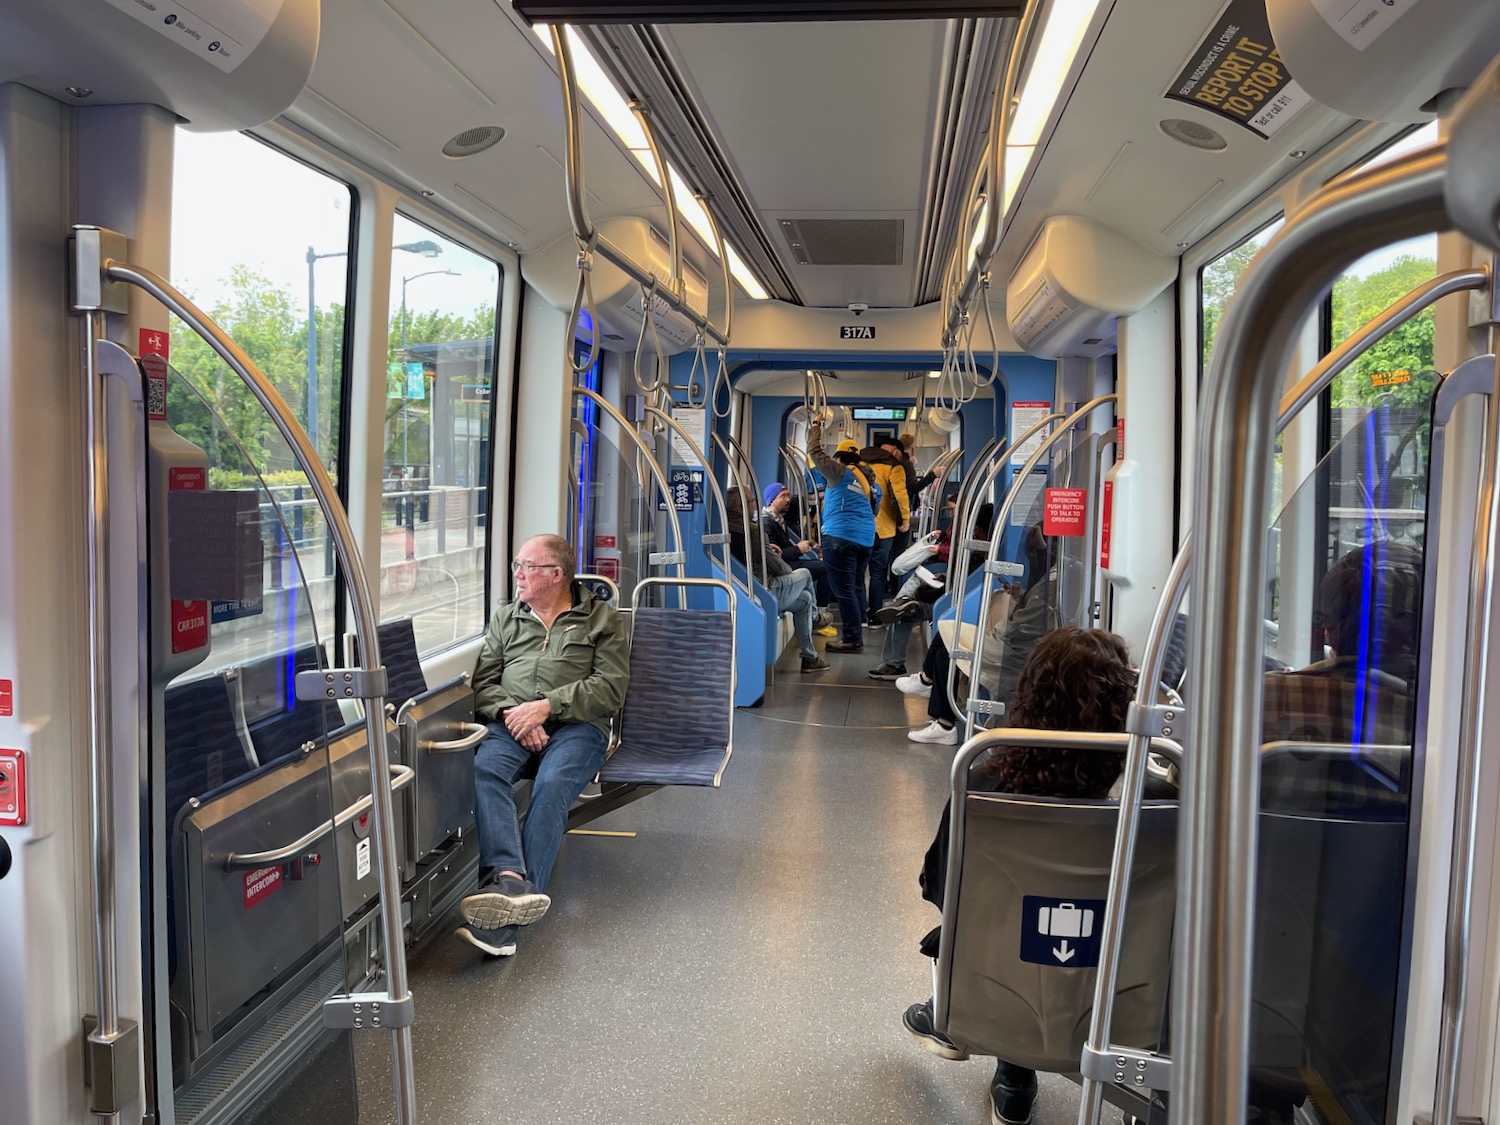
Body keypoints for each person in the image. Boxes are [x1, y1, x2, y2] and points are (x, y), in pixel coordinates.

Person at [901, 627, 1141, 1125]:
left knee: (1003, 921)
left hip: (1008, 961)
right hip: (1124, 977)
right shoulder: (1149, 797)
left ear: (1028, 698)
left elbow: (942, 884)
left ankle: (1009, 1072)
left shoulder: (984, 784)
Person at [457, 534, 629, 958]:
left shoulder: (600, 619)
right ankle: (511, 877)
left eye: (525, 566)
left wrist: (547, 706)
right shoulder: (506, 618)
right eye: (517, 565)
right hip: (513, 724)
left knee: (551, 785)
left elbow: (610, 689)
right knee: (485, 770)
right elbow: (484, 683)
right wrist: (512, 715)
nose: (516, 574)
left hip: (578, 727)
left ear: (555, 574)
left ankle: (505, 924)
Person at [902, 525, 1060, 745]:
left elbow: (1027, 625)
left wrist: (994, 631)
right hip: (1016, 640)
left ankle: (942, 718)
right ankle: (931, 692)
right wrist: (1019, 596)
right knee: (950, 629)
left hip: (1016, 649)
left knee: (948, 650)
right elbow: (1034, 613)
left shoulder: (1053, 583)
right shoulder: (1054, 578)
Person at [867, 501, 993, 681]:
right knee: (917, 589)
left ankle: (900, 663)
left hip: (955, 597)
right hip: (953, 587)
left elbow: (959, 582)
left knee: (907, 612)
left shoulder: (979, 551)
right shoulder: (982, 549)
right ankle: (904, 602)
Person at [726, 488, 829, 674]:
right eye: (751, 503)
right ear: (741, 508)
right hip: (766, 589)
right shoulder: (753, 530)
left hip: (744, 588)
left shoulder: (727, 528)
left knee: (805, 599)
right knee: (804, 573)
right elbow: (780, 569)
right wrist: (785, 566)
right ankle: (815, 618)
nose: (754, 507)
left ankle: (809, 657)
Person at [808, 418, 879, 653]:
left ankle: (851, 638)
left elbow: (814, 452)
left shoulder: (839, 471)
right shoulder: (867, 481)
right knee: (855, 586)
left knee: (844, 590)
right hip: (865, 540)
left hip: (840, 537)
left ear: (838, 457)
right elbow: (874, 510)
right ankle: (856, 630)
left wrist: (816, 425)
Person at [860, 434, 911, 621]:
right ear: (895, 451)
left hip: (858, 527)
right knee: (878, 572)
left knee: (858, 572)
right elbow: (900, 495)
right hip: (883, 528)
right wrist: (905, 520)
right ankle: (874, 615)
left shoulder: (858, 464)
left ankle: (859, 615)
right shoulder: (894, 467)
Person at [761, 481, 832, 609]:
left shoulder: (778, 520)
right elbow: (773, 556)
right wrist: (798, 549)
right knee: (826, 568)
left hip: (790, 562)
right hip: (783, 567)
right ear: (772, 501)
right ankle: (820, 611)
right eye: (783, 496)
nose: (788, 500)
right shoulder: (767, 523)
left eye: (788, 495)